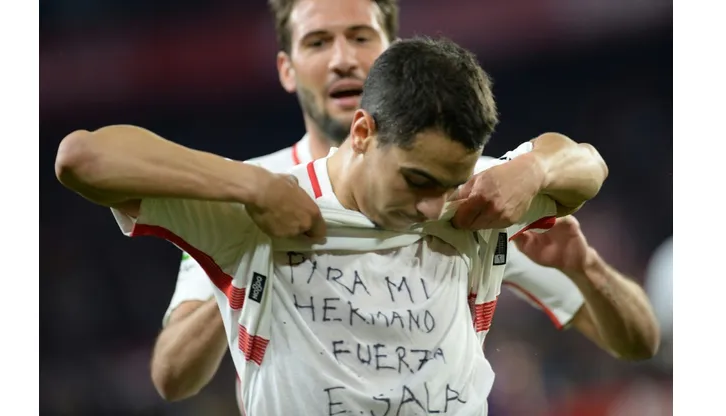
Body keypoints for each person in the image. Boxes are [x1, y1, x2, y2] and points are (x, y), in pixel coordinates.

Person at [55, 36, 609, 416]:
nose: (431, 206)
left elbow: (589, 166)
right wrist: (252, 186)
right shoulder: (260, 212)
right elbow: (82, 158)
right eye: (416, 180)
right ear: (363, 133)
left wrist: (531, 169)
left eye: (450, 181)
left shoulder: (479, 198)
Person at [149, 0, 660, 406]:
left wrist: (582, 261)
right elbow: (172, 377)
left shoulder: (472, 193)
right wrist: (244, 275)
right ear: (287, 68)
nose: (343, 58)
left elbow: (637, 340)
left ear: (391, 53)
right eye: (318, 41)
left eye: (360, 37)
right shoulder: (247, 196)